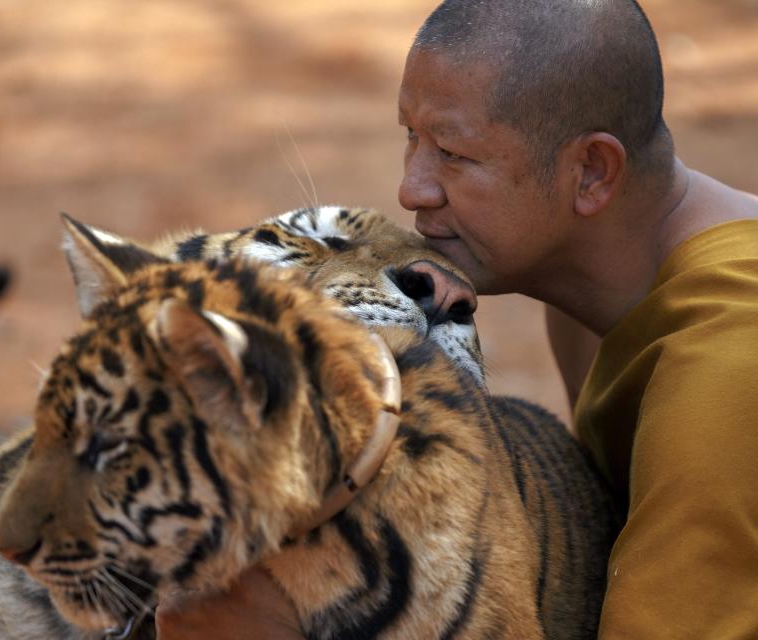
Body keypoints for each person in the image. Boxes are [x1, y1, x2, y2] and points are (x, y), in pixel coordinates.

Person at [156, 0, 758, 637]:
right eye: (411, 136)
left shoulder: (722, 378)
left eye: (453, 153)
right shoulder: (591, 291)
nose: (412, 189)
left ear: (590, 172)